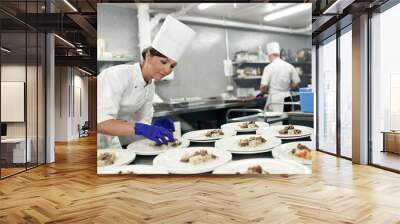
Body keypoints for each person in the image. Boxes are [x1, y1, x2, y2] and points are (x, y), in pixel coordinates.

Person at [97, 16, 196, 148]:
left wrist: (153, 126)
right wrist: (144, 129)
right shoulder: (117, 75)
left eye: (172, 66)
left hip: (113, 145)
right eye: (164, 61)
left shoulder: (150, 86)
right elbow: (100, 122)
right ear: (148, 56)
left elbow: (142, 123)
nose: (167, 70)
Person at [259, 42, 300, 112]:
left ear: (270, 55)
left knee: (275, 120)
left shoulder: (268, 68)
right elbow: (297, 82)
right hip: (287, 96)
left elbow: (263, 87)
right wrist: (288, 87)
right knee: (287, 119)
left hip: (275, 98)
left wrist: (261, 94)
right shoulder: (289, 66)